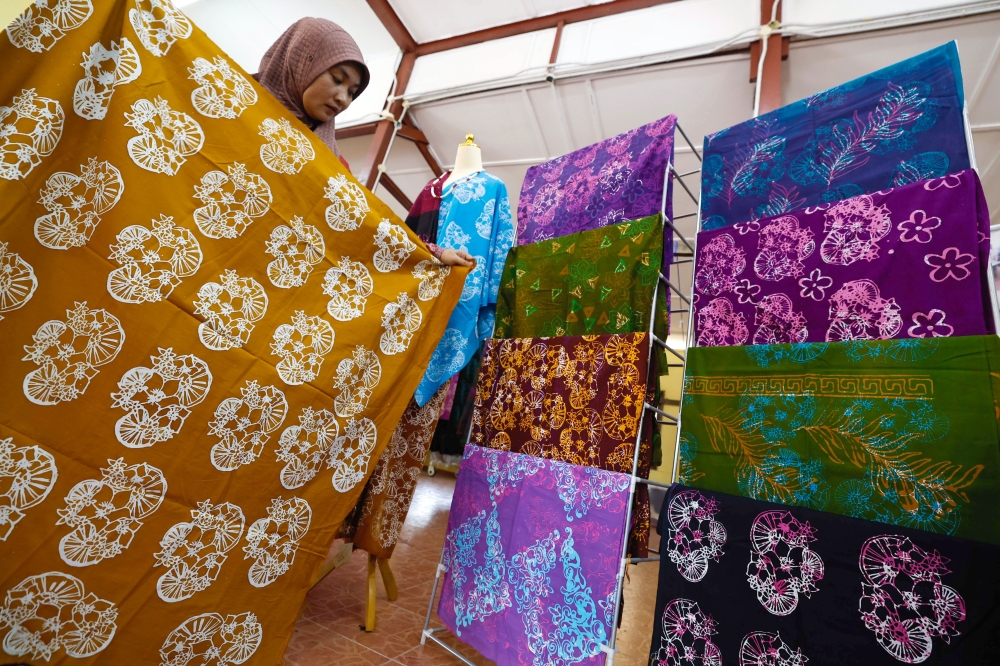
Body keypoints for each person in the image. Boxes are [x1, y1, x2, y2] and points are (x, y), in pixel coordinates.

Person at [254, 18, 474, 268]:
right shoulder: (229, 105)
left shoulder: (334, 164)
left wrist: (432, 254)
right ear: (301, 61)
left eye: (351, 92)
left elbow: (366, 223)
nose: (343, 100)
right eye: (338, 79)